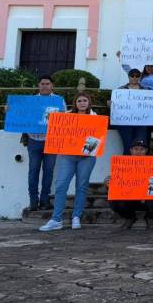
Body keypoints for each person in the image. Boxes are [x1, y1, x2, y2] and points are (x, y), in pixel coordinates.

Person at [39, 93, 99, 232]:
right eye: (79, 100)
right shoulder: (66, 115)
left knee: (81, 186)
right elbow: (53, 127)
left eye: (85, 100)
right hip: (67, 155)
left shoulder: (95, 117)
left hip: (87, 156)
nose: (82, 103)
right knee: (61, 184)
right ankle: (56, 219)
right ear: (75, 102)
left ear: (89, 102)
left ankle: (76, 216)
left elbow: (97, 137)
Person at [26, 75, 67, 211]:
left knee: (49, 171)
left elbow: (65, 119)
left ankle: (44, 200)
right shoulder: (31, 100)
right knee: (33, 170)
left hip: (52, 140)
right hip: (33, 139)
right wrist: (10, 110)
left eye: (47, 83)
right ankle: (33, 201)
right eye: (42, 83)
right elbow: (21, 115)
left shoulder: (59, 101)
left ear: (52, 86)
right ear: (38, 85)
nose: (44, 86)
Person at [106, 139, 153, 229]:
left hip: (147, 199)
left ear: (146, 151)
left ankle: (150, 218)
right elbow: (113, 181)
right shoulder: (121, 165)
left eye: (142, 149)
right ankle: (129, 218)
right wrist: (108, 184)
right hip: (129, 198)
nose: (139, 152)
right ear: (131, 150)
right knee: (115, 200)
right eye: (136, 149)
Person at [112, 68, 150, 155]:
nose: (134, 78)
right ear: (129, 77)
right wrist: (110, 103)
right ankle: (126, 168)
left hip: (141, 123)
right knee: (128, 146)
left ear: (139, 77)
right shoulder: (120, 90)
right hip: (125, 123)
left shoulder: (146, 91)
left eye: (137, 76)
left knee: (141, 146)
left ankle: (139, 168)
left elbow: (151, 106)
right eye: (132, 76)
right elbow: (115, 105)